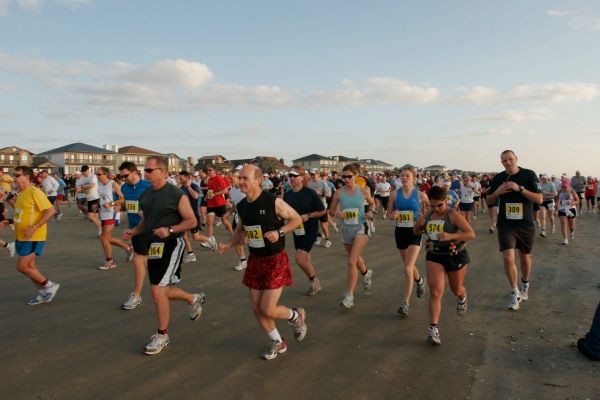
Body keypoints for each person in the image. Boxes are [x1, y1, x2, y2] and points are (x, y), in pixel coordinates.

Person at [217, 165, 307, 360]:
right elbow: (240, 229)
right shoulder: (241, 205)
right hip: (256, 260)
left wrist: (279, 232)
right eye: (239, 178)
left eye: (245, 178)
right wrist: (229, 244)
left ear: (258, 180)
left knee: (267, 308)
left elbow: (296, 219)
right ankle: (277, 341)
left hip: (275, 259)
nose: (240, 181)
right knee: (256, 308)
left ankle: (295, 316)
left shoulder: (273, 201)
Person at [123, 156, 206, 355]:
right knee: (161, 290)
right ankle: (193, 298)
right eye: (145, 170)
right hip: (154, 245)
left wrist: (170, 230)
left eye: (150, 170)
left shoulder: (176, 194)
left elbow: (191, 221)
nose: (146, 173)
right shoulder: (145, 195)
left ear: (163, 172)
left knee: (157, 291)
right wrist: (135, 231)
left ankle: (162, 335)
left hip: (171, 244)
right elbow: (147, 222)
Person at [414, 186, 475, 345]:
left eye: (439, 205)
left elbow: (470, 233)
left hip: (455, 255)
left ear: (446, 201)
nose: (436, 209)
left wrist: (451, 235)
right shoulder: (428, 215)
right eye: (432, 205)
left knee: (456, 289)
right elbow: (416, 232)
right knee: (435, 292)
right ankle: (433, 329)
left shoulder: (453, 214)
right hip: (434, 255)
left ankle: (462, 296)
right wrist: (418, 225)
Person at [486, 150, 542, 311]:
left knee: (525, 257)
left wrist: (520, 189)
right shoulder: (498, 178)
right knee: (508, 257)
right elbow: (489, 199)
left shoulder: (529, 175)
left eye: (510, 159)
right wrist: (498, 192)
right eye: (504, 161)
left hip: (525, 224)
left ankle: (525, 283)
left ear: (516, 159)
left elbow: (539, 199)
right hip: (506, 224)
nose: (508, 163)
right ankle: (514, 291)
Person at [328, 164, 375, 308]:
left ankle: (349, 295)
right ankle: (366, 274)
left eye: (349, 176)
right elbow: (330, 211)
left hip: (362, 226)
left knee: (351, 261)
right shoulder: (338, 193)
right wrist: (336, 213)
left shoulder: (363, 190)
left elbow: (373, 204)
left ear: (356, 176)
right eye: (344, 176)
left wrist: (371, 212)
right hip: (346, 228)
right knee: (355, 257)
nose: (346, 179)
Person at [12, 166, 60, 305]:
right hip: (21, 236)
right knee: (30, 267)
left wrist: (34, 227)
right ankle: (44, 293)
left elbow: (51, 211)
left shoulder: (35, 192)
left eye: (17, 175)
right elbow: (20, 214)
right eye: (14, 175)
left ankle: (49, 286)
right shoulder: (21, 193)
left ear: (26, 176)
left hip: (34, 236)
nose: (14, 177)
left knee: (22, 266)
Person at [387, 167, 427, 316]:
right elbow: (389, 214)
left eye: (407, 176)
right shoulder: (393, 194)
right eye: (401, 175)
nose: (403, 178)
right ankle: (420, 280)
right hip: (400, 231)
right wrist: (393, 215)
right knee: (408, 266)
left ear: (413, 178)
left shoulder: (421, 194)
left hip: (415, 232)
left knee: (408, 268)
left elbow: (430, 210)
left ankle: (405, 303)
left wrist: (424, 220)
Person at [283, 166, 326, 296]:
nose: (291, 179)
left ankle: (314, 281)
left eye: (294, 176)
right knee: (305, 258)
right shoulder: (288, 194)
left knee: (299, 258)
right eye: (290, 176)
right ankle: (314, 283)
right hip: (297, 231)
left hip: (311, 230)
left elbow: (322, 210)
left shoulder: (310, 193)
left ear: (302, 177)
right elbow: (285, 212)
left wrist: (309, 216)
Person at [118, 161, 151, 310]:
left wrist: (147, 212)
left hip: (151, 228)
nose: (124, 178)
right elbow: (125, 204)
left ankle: (163, 284)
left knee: (145, 260)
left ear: (135, 172)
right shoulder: (124, 187)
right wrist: (118, 206)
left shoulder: (148, 186)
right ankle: (137, 295)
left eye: (126, 175)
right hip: (135, 229)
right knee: (139, 260)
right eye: (122, 176)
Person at [96, 167, 132, 270]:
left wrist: (112, 203)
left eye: (99, 174)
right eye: (96, 174)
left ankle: (110, 261)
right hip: (103, 213)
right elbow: (102, 198)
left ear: (105, 174)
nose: (97, 176)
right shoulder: (99, 184)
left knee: (103, 238)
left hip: (112, 213)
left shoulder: (113, 184)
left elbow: (122, 198)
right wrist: (98, 206)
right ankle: (128, 247)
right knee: (108, 239)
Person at [79, 165, 102, 237]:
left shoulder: (93, 176)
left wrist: (83, 187)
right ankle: (100, 231)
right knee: (95, 216)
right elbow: (82, 190)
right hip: (89, 199)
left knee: (90, 216)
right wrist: (82, 189)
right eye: (83, 172)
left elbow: (92, 185)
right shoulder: (83, 179)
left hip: (95, 198)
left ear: (88, 170)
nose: (84, 173)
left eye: (85, 172)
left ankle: (101, 228)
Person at [557, 181, 579, 245]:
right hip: (562, 209)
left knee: (571, 226)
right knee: (563, 223)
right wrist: (557, 205)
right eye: (563, 186)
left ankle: (572, 232)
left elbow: (577, 200)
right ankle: (565, 239)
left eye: (565, 186)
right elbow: (557, 200)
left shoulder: (572, 191)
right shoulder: (559, 192)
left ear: (568, 186)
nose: (564, 187)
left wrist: (573, 203)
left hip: (571, 209)